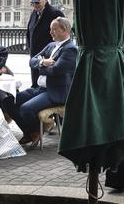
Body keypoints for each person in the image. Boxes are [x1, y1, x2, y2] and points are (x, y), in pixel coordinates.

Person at [14, 17, 77, 145]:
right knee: (9, 100)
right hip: (40, 89)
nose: (51, 32)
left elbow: (56, 70)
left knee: (26, 109)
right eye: (50, 29)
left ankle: (37, 130)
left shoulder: (70, 49)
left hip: (55, 92)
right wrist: (43, 62)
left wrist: (40, 67)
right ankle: (32, 131)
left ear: (64, 30)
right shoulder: (51, 45)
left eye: (54, 29)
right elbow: (32, 61)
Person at [26, 0, 65, 88]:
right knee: (35, 84)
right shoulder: (34, 13)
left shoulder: (55, 13)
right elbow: (29, 33)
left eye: (37, 2)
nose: (34, 5)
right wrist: (29, 49)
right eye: (32, 3)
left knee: (45, 86)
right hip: (35, 56)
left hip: (49, 58)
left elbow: (63, 34)